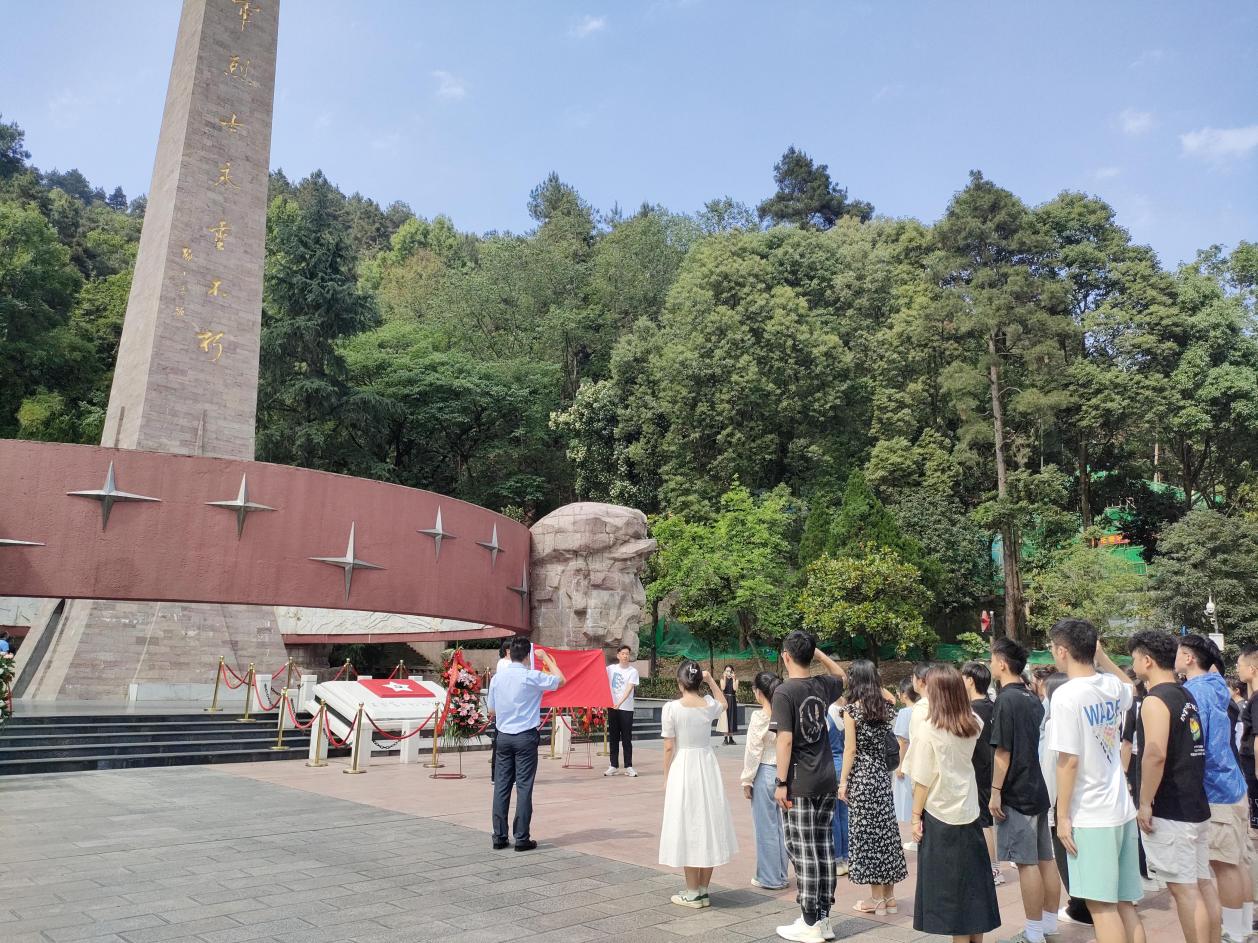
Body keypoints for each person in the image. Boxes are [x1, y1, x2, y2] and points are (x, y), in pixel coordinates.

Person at [1046, 618, 1145, 943]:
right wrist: (1103, 658)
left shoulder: (1066, 695)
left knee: (1101, 908)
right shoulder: (1111, 686)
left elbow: (1068, 761)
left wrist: (1062, 817)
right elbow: (1131, 688)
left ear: (1063, 651)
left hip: (1091, 814)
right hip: (1121, 809)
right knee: (1125, 903)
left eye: (1053, 648)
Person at [1127, 630, 1217, 943]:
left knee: (1185, 891)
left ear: (1147, 661)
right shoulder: (1185, 695)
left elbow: (1154, 754)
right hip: (1194, 804)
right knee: (1202, 884)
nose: (1133, 664)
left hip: (1172, 808)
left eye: (1135, 658)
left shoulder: (1155, 700)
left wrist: (1145, 802)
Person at [908, 665, 1001, 943]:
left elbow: (922, 779)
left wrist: (915, 817)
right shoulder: (973, 723)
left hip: (939, 813)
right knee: (974, 886)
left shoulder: (929, 730)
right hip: (969, 809)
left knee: (950, 895)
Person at [771, 631, 847, 943]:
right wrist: (818, 653)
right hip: (826, 778)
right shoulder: (821, 685)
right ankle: (824, 917)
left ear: (786, 656)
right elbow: (841, 675)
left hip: (799, 781)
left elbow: (785, 740)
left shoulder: (784, 692)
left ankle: (810, 919)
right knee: (823, 847)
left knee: (803, 850)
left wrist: (781, 782)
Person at [1178, 633, 1251, 943]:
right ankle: (1242, 927)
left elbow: (1198, 741)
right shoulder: (1217, 685)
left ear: (1189, 658)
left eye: (1179, 652)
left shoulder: (1195, 692)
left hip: (1216, 788)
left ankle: (1234, 933)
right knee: (1237, 861)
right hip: (1233, 783)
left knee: (1224, 865)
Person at [989, 637, 1059, 943]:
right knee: (1045, 858)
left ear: (1003, 663)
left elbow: (1002, 751)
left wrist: (995, 790)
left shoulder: (1006, 700)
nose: (991, 665)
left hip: (1017, 791)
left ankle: (1033, 932)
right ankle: (1048, 923)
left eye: (992, 659)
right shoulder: (1032, 696)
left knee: (1026, 862)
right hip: (1037, 786)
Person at [660, 660, 738, 908]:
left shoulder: (671, 708)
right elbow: (724, 703)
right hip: (706, 765)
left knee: (687, 824)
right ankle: (703, 889)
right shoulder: (708, 704)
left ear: (680, 682)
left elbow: (669, 746)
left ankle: (692, 891)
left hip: (684, 766)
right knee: (708, 823)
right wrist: (711, 680)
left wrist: (666, 776)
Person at [838, 659, 908, 922]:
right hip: (881, 777)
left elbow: (850, 750)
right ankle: (890, 897)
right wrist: (876, 685)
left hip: (862, 778)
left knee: (868, 839)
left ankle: (876, 899)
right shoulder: (885, 707)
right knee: (886, 835)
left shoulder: (851, 711)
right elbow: (890, 696)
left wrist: (843, 783)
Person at [486, 637, 566, 852]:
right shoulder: (532, 676)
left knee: (501, 786)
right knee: (523, 787)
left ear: (510, 654)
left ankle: (499, 836)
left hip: (503, 736)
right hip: (525, 736)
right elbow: (561, 680)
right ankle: (521, 838)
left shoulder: (497, 678)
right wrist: (546, 658)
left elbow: (491, 709)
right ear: (527, 656)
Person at [1040, 671, 1093, 929]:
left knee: (1065, 853)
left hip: (1061, 799)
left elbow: (1052, 768)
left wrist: (1049, 806)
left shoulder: (1054, 724)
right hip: (1085, 796)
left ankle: (1079, 907)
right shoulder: (1085, 718)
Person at [742, 671, 790, 890]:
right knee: (781, 827)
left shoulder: (760, 717)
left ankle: (769, 877)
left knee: (765, 827)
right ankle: (780, 874)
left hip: (764, 771)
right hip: (783, 773)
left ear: (759, 693)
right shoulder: (786, 714)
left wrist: (747, 780)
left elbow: (753, 751)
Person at [961, 660, 1002, 887]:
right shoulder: (993, 705)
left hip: (978, 768)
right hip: (993, 766)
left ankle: (993, 868)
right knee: (987, 819)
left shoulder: (972, 710)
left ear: (970, 680)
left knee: (983, 821)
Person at [605, 644, 640, 777]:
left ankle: (628, 766)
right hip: (612, 707)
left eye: (627, 654)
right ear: (618, 655)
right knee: (613, 737)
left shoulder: (633, 671)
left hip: (626, 708)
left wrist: (619, 703)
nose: (625, 656)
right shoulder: (610, 669)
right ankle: (613, 765)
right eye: (623, 653)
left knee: (626, 738)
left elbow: (629, 689)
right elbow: (598, 675)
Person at [826, 691, 851, 878]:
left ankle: (836, 859)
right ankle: (847, 857)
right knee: (844, 814)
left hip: (832, 765)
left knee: (833, 815)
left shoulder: (827, 713)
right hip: (845, 764)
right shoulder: (846, 712)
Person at [1235, 646, 1258, 828]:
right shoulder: (1253, 697)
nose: (1237, 669)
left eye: (1239, 665)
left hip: (1253, 761)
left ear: (1252, 669)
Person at [719, 666, 739, 745]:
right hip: (725, 699)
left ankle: (731, 738)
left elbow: (735, 689)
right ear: (724, 672)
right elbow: (723, 688)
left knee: (731, 717)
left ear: (733, 672)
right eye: (727, 671)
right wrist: (724, 677)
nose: (728, 673)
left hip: (732, 699)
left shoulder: (736, 680)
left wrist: (733, 679)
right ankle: (725, 738)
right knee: (725, 718)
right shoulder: (722, 680)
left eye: (730, 671)